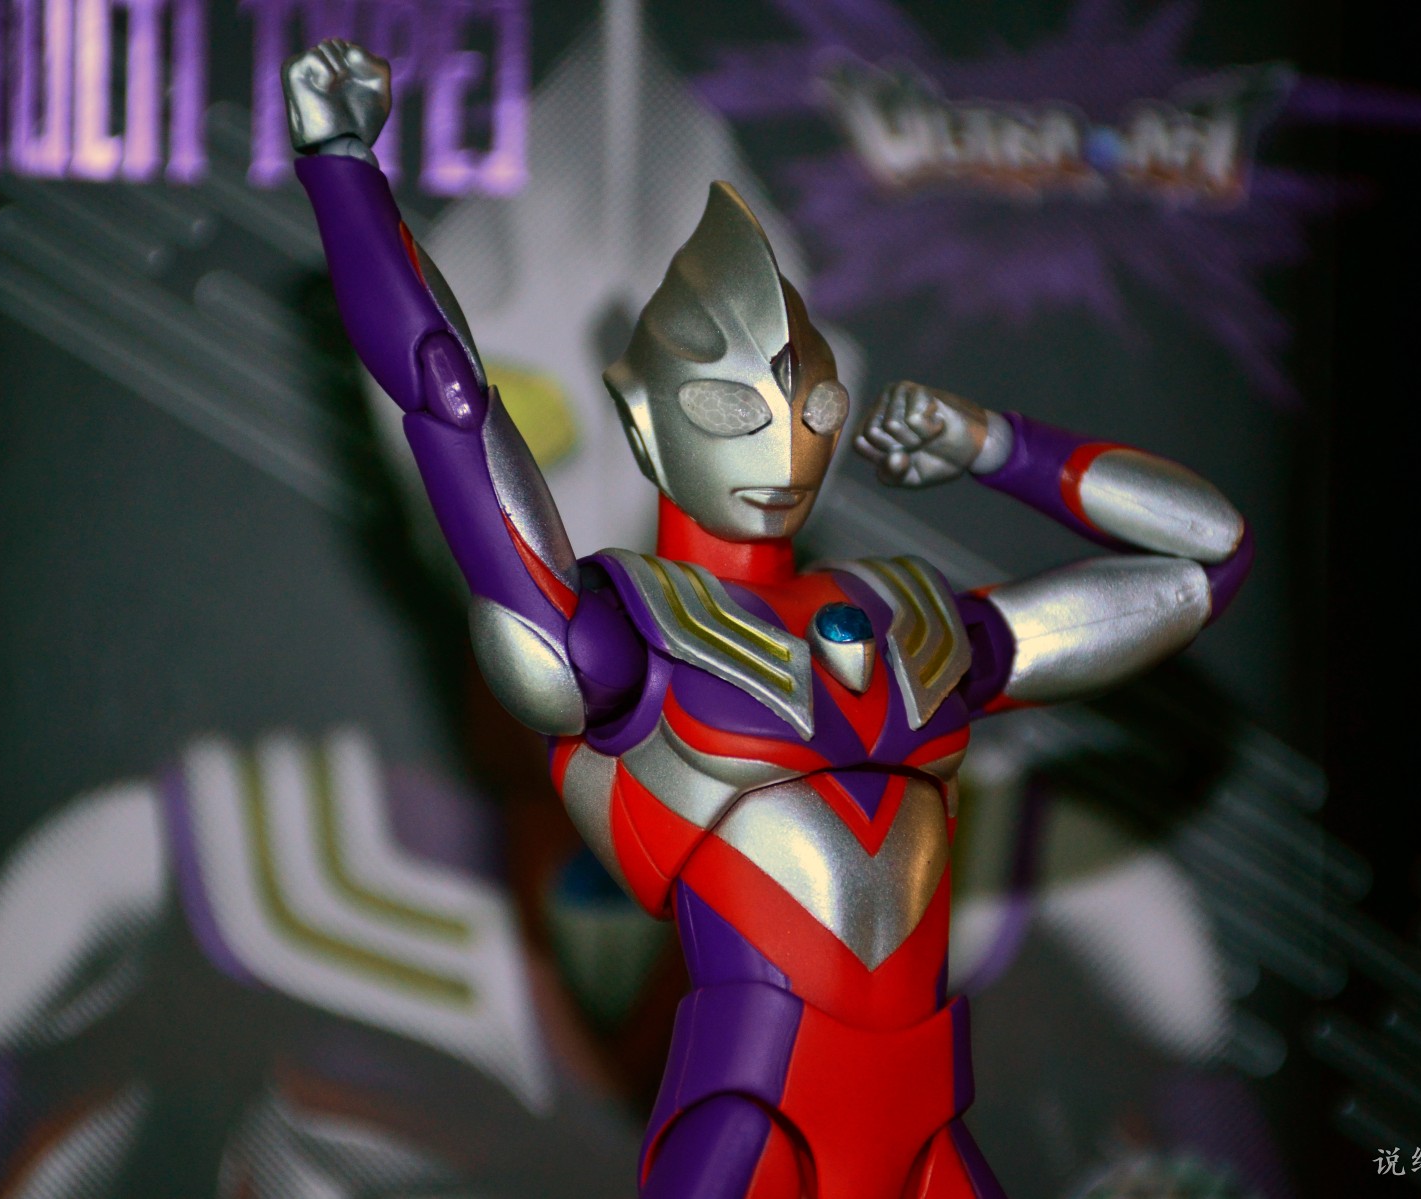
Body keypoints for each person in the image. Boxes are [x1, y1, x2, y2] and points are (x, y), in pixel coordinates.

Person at [282, 38, 1251, 1199]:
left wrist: (994, 445)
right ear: (645, 417)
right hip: (756, 1120)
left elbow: (1203, 559)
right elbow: (443, 395)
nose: (782, 440)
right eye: (729, 404)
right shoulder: (627, 640)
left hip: (928, 1125)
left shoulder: (906, 623)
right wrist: (342, 167)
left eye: (812, 401)